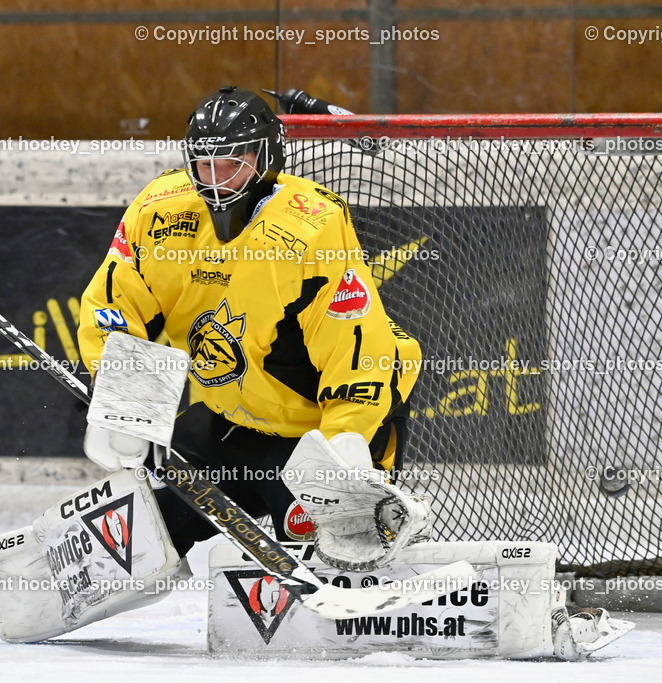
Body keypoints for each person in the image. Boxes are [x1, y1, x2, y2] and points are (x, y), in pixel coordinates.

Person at [77, 86, 429, 571]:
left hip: (311, 434)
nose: (216, 179)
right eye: (205, 163)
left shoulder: (313, 224)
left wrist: (345, 439)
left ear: (265, 157)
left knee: (336, 549)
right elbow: (115, 302)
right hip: (231, 419)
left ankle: (367, 548)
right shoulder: (160, 210)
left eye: (232, 162)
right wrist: (125, 399)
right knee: (143, 524)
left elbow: (355, 339)